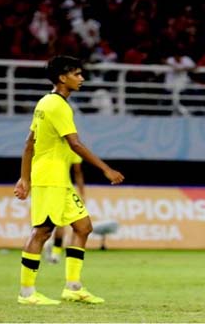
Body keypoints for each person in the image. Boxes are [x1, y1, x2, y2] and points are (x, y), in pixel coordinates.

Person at [14, 55, 125, 305]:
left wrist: (24, 178)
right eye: (77, 74)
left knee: (83, 227)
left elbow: (29, 143)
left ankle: (73, 287)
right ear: (62, 78)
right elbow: (75, 143)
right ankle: (27, 293)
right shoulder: (57, 106)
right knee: (42, 231)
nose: (82, 78)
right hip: (50, 178)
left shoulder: (45, 103)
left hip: (57, 179)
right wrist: (106, 169)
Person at [44, 153, 84, 264]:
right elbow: (77, 172)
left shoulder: (47, 146)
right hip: (62, 188)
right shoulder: (73, 148)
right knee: (66, 223)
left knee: (45, 223)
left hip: (42, 187)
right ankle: (56, 253)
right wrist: (82, 193)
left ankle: (49, 246)